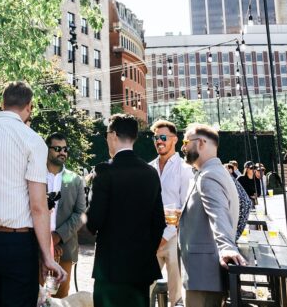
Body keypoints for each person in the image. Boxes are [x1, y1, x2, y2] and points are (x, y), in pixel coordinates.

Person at [0, 81, 65, 307]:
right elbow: (38, 206)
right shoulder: (32, 140)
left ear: (2, 103)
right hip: (19, 242)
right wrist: (47, 257)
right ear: (29, 106)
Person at [85, 113, 165, 307]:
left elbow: (94, 220)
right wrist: (146, 251)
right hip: (141, 267)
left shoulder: (104, 171)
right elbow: (159, 222)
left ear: (112, 135)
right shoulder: (151, 173)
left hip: (111, 267)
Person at [179, 123, 244, 307]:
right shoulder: (215, 172)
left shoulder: (209, 175)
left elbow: (219, 214)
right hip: (204, 276)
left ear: (200, 143)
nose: (183, 147)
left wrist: (226, 246)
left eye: (185, 141)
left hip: (203, 277)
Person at [149, 119, 193, 307]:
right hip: (150, 237)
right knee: (144, 285)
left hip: (175, 237)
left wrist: (166, 236)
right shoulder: (149, 168)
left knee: (177, 294)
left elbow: (185, 207)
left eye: (163, 137)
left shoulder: (185, 169)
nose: (159, 141)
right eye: (156, 137)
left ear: (174, 139)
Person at [43, 132, 87, 299]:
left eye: (65, 149)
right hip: (36, 248)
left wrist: (57, 236)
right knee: (38, 297)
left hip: (65, 248)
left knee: (60, 298)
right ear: (47, 150)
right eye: (57, 148)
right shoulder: (35, 176)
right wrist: (45, 240)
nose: (62, 152)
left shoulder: (75, 179)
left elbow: (80, 213)